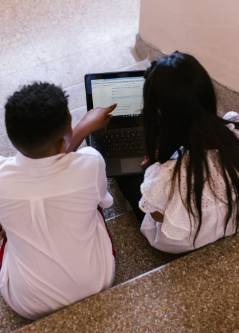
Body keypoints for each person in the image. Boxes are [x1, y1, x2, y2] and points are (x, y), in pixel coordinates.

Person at [0, 82, 116, 319]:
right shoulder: (91, 162)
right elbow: (105, 202)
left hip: (26, 303)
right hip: (97, 283)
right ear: (65, 138)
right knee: (94, 207)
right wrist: (84, 129)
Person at [121, 51, 239, 253]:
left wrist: (150, 170)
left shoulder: (164, 177)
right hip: (228, 226)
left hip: (179, 243)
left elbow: (158, 216)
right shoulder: (234, 136)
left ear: (158, 116)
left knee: (127, 180)